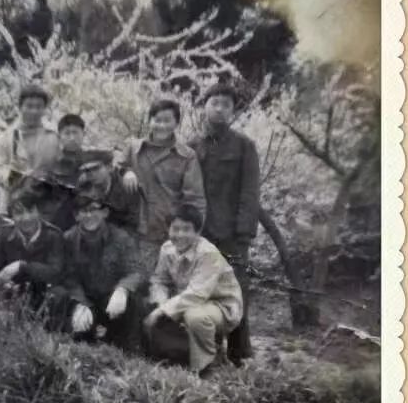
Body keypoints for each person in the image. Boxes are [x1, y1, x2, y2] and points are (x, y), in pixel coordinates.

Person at [188, 82, 260, 364]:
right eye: (214, 103)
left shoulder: (244, 146)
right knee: (203, 288)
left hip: (232, 233)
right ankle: (210, 348)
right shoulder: (192, 146)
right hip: (201, 231)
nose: (219, 109)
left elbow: (250, 192)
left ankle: (239, 351)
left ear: (233, 111)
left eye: (226, 105)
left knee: (236, 289)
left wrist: (244, 232)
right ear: (204, 106)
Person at [144, 205, 243, 376]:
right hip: (189, 300)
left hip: (220, 305)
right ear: (168, 229)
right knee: (150, 305)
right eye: (175, 229)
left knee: (195, 316)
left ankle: (207, 366)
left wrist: (162, 310)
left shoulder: (208, 253)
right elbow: (159, 280)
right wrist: (160, 302)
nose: (180, 234)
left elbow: (197, 294)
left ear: (197, 232)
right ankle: (171, 355)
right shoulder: (167, 249)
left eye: (186, 229)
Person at [118, 99, 206, 271]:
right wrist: (125, 171)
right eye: (157, 120)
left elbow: (195, 199)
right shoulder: (134, 148)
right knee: (138, 275)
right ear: (149, 121)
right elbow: (116, 164)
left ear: (176, 123)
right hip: (137, 228)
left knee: (172, 277)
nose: (162, 125)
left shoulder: (187, 156)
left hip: (171, 231)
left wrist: (194, 233)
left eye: (167, 121)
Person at [63, 194, 143, 352]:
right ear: (76, 215)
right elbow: (68, 277)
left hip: (112, 302)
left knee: (133, 302)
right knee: (64, 306)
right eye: (83, 211)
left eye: (94, 209)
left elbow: (136, 270)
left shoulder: (121, 237)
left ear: (105, 212)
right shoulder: (68, 239)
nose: (89, 215)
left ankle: (130, 350)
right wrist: (80, 303)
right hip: (86, 301)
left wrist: (122, 289)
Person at [0, 189, 68, 330]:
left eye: (30, 211)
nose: (26, 218)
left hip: (42, 294)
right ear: (12, 216)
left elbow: (56, 273)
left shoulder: (53, 235)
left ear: (38, 211)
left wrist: (23, 266)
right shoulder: (3, 234)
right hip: (13, 295)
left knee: (59, 294)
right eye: (19, 213)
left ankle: (51, 334)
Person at [0, 83, 59, 209]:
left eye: (39, 107)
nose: (34, 111)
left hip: (49, 200)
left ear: (45, 109)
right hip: (16, 201)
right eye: (29, 106)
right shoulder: (5, 139)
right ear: (20, 107)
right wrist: (21, 177)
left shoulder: (55, 135)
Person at [25, 113, 88, 231]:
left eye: (75, 132)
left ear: (84, 134)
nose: (72, 138)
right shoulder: (49, 162)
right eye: (67, 133)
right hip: (54, 223)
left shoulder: (92, 162)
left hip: (85, 222)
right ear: (59, 136)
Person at [76, 149, 140, 234]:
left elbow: (134, 223)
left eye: (96, 168)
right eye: (87, 170)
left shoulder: (126, 186)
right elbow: (80, 213)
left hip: (123, 232)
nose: (92, 174)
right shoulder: (84, 186)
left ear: (109, 167)